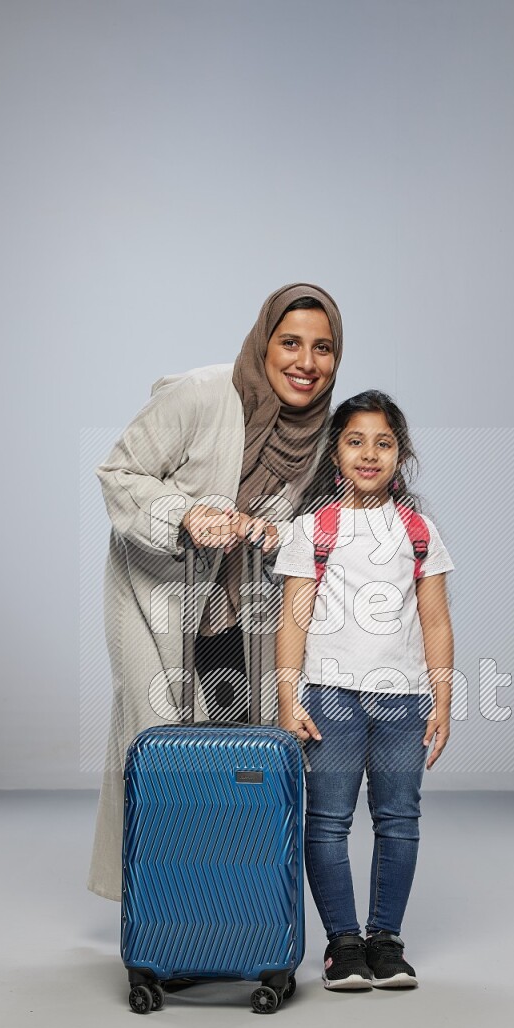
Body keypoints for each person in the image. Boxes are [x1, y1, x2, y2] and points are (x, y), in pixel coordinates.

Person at [87, 283, 343, 902]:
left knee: (238, 756)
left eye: (323, 348)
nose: (306, 363)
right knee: (158, 744)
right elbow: (118, 472)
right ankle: (157, 915)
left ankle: (222, 914)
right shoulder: (201, 395)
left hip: (244, 610)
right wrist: (184, 514)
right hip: (156, 598)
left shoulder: (322, 435)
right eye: (290, 343)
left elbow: (318, 527)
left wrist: (275, 532)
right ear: (264, 342)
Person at [273, 391, 454, 990]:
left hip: (401, 701)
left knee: (399, 818)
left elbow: (434, 621)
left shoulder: (418, 530)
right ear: (336, 452)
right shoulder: (312, 529)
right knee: (327, 821)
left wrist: (443, 700)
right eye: (355, 441)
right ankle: (342, 945)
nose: (369, 453)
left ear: (400, 454)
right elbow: (293, 619)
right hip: (329, 697)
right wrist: (287, 697)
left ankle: (386, 941)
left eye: (383, 442)